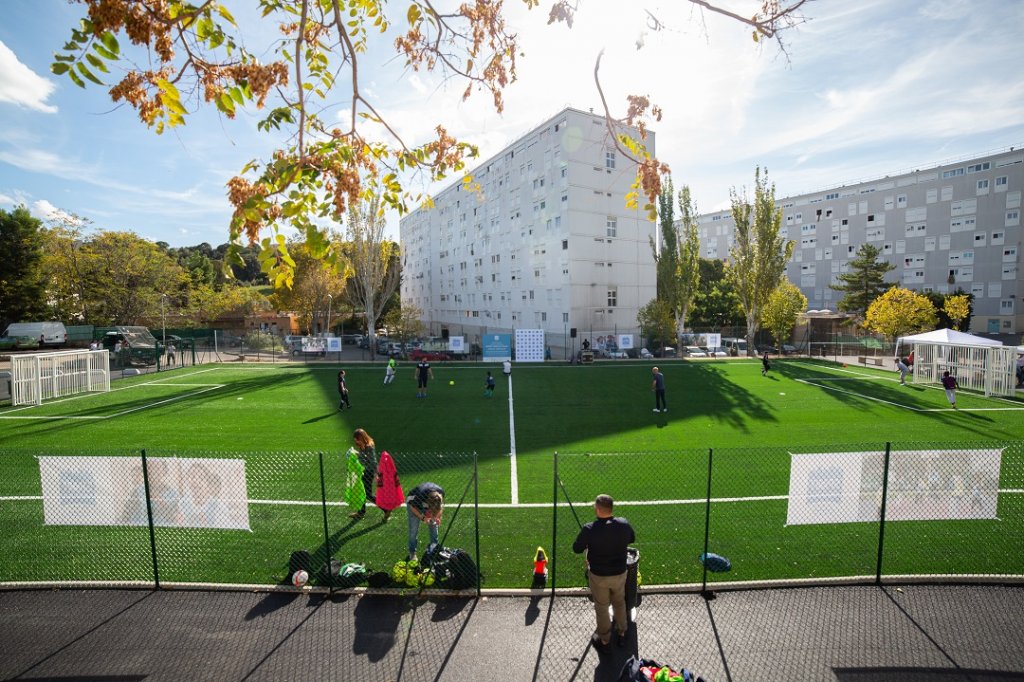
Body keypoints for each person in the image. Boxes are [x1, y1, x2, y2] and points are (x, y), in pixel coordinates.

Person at [572, 494, 636, 650]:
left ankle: (605, 640)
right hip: (620, 574)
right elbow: (631, 538)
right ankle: (622, 632)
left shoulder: (589, 528)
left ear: (598, 509)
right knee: (619, 602)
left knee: (602, 607)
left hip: (599, 575)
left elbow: (576, 548)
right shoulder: (623, 524)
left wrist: (589, 540)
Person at [349, 428, 387, 520]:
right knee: (361, 492)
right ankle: (361, 512)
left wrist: (375, 474)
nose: (355, 441)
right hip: (363, 471)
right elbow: (364, 458)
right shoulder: (363, 445)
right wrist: (356, 453)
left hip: (368, 472)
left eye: (357, 439)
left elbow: (372, 461)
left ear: (361, 438)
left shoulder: (369, 446)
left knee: (368, 494)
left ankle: (386, 508)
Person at [405, 481, 444, 561]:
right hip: (413, 504)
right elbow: (413, 508)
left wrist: (437, 517)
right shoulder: (419, 496)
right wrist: (423, 518)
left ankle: (434, 550)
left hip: (428, 502)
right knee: (414, 530)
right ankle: (412, 553)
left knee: (434, 526)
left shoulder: (440, 494)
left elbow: (440, 507)